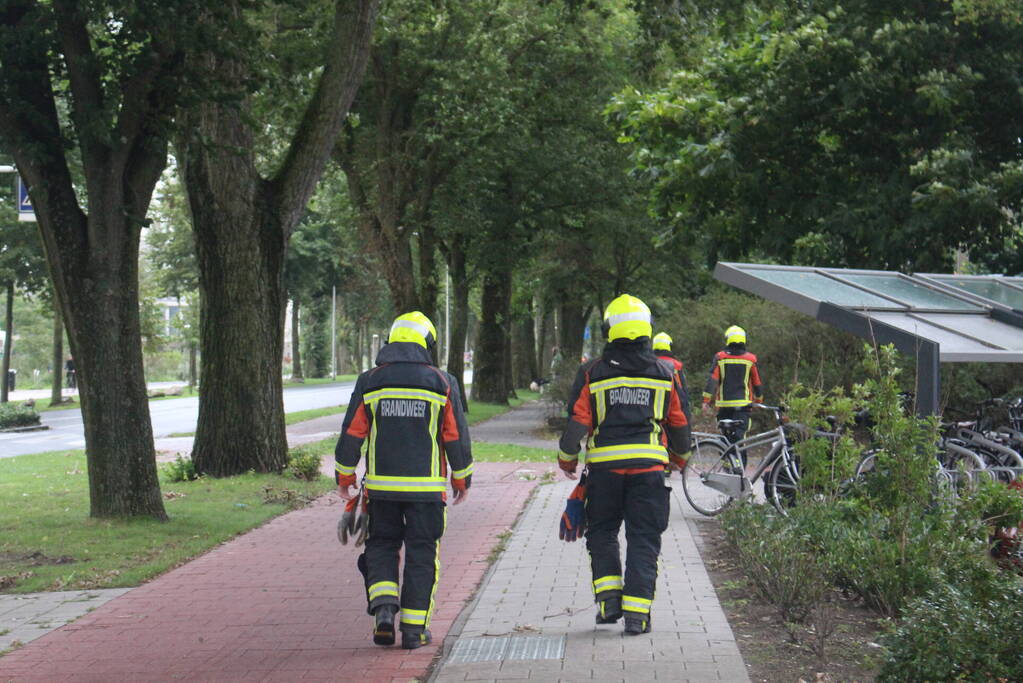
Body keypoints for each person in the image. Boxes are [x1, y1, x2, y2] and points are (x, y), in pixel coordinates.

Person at [335, 311, 473, 650]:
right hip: (427, 491)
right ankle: (414, 630)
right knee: (422, 554)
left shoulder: (370, 381)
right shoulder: (442, 382)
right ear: (428, 344)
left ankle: (384, 609)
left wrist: (345, 475)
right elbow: (455, 435)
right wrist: (462, 477)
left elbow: (352, 431)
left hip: (382, 490)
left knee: (381, 545)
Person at [558, 294, 690, 635]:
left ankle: (609, 602)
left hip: (605, 472)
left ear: (609, 330)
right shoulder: (665, 373)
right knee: (644, 538)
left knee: (602, 533)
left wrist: (567, 457)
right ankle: (637, 615)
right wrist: (680, 457)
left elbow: (578, 419)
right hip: (649, 470)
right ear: (647, 329)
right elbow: (678, 421)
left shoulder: (592, 372)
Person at [701, 325, 764, 444]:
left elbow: (712, 380)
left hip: (724, 405)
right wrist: (759, 400)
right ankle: (739, 455)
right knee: (740, 437)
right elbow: (757, 382)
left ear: (728, 339)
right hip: (743, 406)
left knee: (724, 437)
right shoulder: (751, 359)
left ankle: (725, 455)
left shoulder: (720, 357)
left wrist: (706, 401)